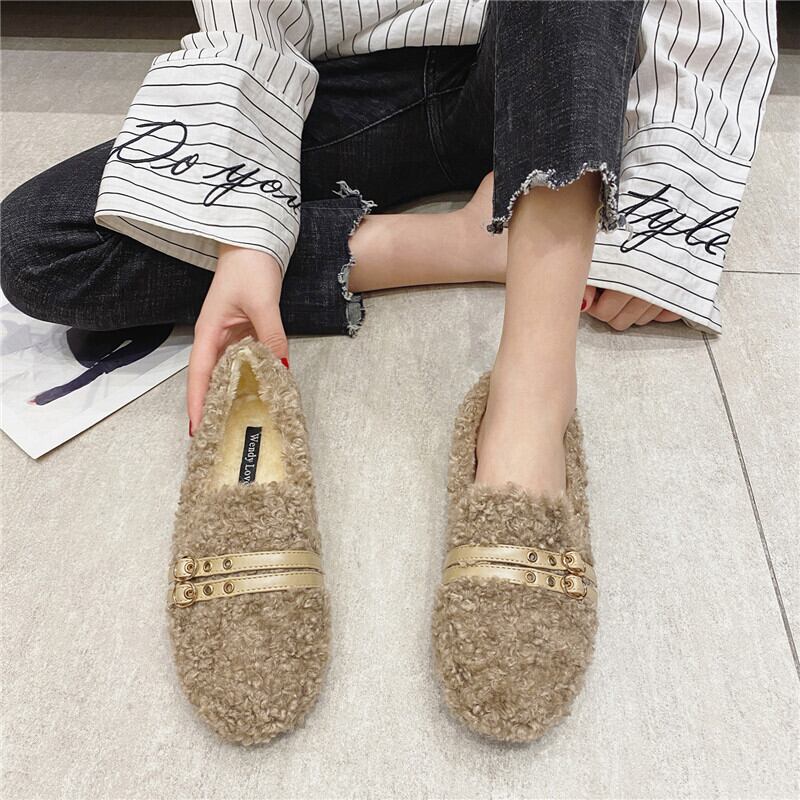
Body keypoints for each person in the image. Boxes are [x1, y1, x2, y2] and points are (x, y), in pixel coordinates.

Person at [0, 0, 777, 498]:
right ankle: (464, 243)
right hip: (345, 76)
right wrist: (245, 233)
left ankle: (532, 403)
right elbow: (245, 22)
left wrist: (657, 217)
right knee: (40, 242)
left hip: (548, 59)